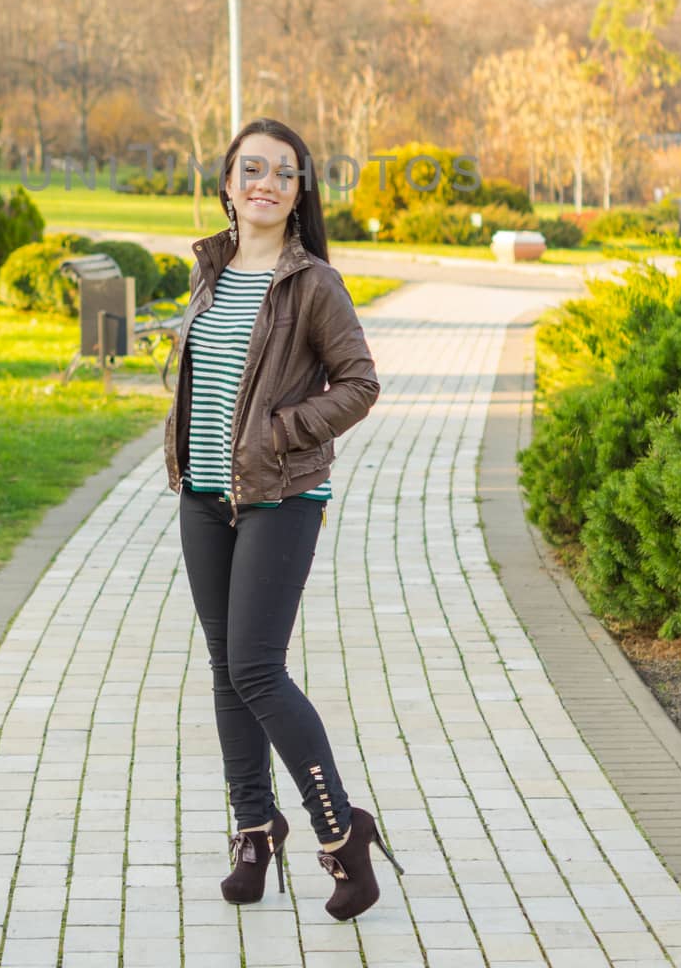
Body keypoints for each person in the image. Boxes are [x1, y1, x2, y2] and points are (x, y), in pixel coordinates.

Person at [163, 118, 404, 920]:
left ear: (300, 193)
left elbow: (359, 384)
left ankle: (340, 835)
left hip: (281, 496)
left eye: (283, 172)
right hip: (204, 494)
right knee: (226, 666)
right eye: (250, 168)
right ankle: (253, 829)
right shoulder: (210, 271)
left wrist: (279, 432)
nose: (264, 182)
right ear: (227, 183)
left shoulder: (313, 284)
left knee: (257, 668)